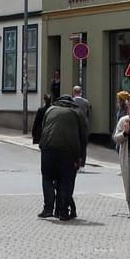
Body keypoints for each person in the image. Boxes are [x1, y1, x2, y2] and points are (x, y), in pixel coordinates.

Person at [38, 92, 88, 220]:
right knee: (66, 180)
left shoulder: (50, 110)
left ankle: (48, 208)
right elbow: (84, 135)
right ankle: (63, 211)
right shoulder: (77, 112)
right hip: (68, 151)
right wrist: (81, 157)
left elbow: (43, 127)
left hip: (48, 148)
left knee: (47, 178)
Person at [70, 85, 92, 168]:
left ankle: (75, 162)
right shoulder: (86, 102)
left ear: (73, 92)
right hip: (84, 126)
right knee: (83, 145)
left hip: (74, 125)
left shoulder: (71, 101)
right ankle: (82, 164)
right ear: (81, 92)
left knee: (74, 144)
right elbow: (88, 114)